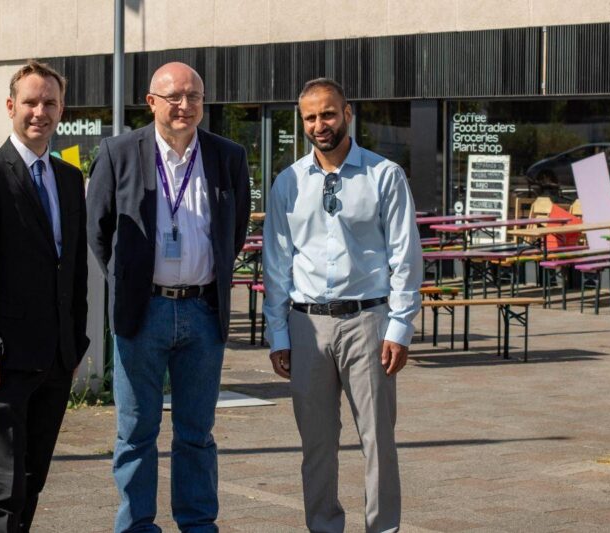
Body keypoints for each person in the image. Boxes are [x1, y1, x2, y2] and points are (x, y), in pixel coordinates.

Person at [86, 62, 250, 532]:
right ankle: (137, 526)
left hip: (203, 311)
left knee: (196, 433)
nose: (184, 105)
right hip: (144, 312)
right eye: (174, 96)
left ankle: (198, 525)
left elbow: (232, 233)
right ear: (151, 101)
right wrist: (127, 283)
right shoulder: (118, 153)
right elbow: (99, 231)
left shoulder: (227, 155)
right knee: (136, 432)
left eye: (193, 95)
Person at [262, 78, 423, 533]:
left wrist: (399, 328)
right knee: (316, 444)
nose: (320, 125)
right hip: (307, 326)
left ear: (347, 113)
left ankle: (383, 528)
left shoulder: (383, 174)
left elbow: (405, 256)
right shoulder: (287, 183)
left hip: (368, 321)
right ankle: (324, 526)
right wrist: (278, 334)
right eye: (310, 117)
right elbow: (277, 264)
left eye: (328, 114)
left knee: (378, 441)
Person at [0, 60, 89, 532]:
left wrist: (77, 342)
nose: (40, 111)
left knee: (33, 478)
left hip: (56, 359)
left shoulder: (69, 179)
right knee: (3, 485)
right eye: (30, 102)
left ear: (61, 109)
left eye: (49, 102)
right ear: (11, 107)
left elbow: (72, 267)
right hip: (4, 361)